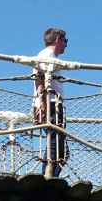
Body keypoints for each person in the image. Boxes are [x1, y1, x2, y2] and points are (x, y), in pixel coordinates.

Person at [33, 27, 69, 178]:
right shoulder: (47, 55)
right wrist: (43, 102)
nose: (66, 45)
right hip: (51, 103)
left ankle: (50, 176)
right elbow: (38, 75)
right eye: (65, 41)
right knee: (55, 145)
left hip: (51, 102)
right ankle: (48, 179)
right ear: (57, 39)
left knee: (60, 148)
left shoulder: (49, 55)